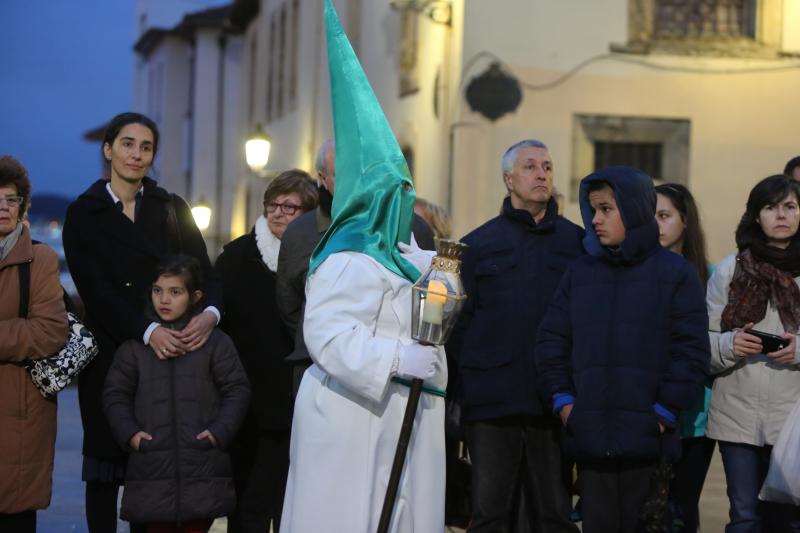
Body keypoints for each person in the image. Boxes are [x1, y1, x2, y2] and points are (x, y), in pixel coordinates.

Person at [280, 1, 445, 530]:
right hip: (351, 416)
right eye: (395, 192)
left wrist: (436, 281)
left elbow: (428, 324)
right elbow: (325, 333)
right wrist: (396, 357)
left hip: (394, 412)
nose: (404, 201)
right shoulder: (345, 255)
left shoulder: (400, 256)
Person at [63, 112, 223, 533]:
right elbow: (95, 292)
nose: (137, 154)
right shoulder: (84, 212)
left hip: (168, 357)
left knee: (150, 471)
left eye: (146, 147)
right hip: (112, 352)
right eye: (128, 144)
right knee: (103, 466)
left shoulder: (170, 207)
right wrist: (147, 330)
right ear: (109, 149)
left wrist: (210, 314)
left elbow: (205, 274)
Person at [536, 167, 710, 533]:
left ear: (632, 210)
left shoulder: (675, 274)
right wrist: (565, 403)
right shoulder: (581, 272)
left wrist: (663, 412)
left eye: (606, 209)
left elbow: (691, 351)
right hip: (590, 436)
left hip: (649, 441)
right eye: (594, 210)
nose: (595, 220)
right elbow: (551, 341)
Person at [446, 139, 583, 533]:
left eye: (547, 167)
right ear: (508, 179)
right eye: (530, 166)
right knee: (489, 513)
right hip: (491, 402)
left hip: (554, 401)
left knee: (555, 513)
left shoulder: (576, 244)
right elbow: (457, 322)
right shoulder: (475, 245)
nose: (541, 174)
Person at [103, 255, 250, 533]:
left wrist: (219, 431)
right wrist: (131, 434)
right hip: (151, 468)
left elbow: (237, 390)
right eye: (158, 291)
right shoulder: (136, 347)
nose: (164, 300)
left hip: (203, 467)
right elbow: (115, 394)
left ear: (195, 296)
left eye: (175, 292)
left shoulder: (215, 343)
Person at [275, 139, 434, 392]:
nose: (356, 182)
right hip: (320, 370)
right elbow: (290, 304)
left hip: (395, 373)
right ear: (323, 179)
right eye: (343, 174)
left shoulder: (413, 228)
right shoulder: (300, 234)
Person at [215, 169, 317, 533]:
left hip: (300, 399)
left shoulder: (321, 260)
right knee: (249, 505)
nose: (278, 212)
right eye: (273, 203)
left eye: (290, 207)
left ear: (308, 214)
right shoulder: (236, 258)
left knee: (293, 503)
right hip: (249, 402)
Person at [705, 174, 800, 531]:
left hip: (793, 416)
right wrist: (730, 345)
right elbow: (702, 341)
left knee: (790, 519)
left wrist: (798, 349)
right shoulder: (730, 269)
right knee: (744, 517)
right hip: (737, 415)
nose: (781, 215)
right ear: (755, 216)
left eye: (790, 207)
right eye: (770, 207)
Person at [0, 156, 69, 532]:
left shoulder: (38, 258)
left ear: (23, 207)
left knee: (16, 516)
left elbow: (49, 331)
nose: (3, 208)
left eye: (11, 200)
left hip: (21, 412)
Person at [654, 183, 715, 532]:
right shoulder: (636, 271)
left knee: (682, 509)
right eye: (650, 217)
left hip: (695, 417)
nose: (656, 225)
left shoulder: (711, 276)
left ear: (685, 221)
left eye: (664, 216)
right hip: (647, 411)